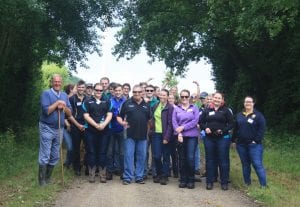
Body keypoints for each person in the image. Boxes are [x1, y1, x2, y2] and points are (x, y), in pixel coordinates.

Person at [38, 74, 73, 186]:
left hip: (59, 129)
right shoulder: (46, 93)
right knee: (45, 154)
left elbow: (69, 113)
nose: (57, 83)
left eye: (59, 82)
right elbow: (46, 111)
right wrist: (57, 103)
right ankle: (42, 181)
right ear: (52, 82)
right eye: (55, 81)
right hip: (46, 127)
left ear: (61, 83)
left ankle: (48, 178)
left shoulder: (64, 95)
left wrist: (64, 107)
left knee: (55, 155)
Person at [117, 85, 151, 185]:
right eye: (135, 92)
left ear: (142, 93)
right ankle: (127, 177)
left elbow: (149, 120)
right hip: (129, 134)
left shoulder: (147, 105)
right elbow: (119, 117)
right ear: (132, 92)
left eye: (139, 92)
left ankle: (139, 177)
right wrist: (122, 123)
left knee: (142, 156)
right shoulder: (126, 103)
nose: (137, 94)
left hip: (143, 135)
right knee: (128, 156)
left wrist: (148, 132)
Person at [200, 92, 234, 190]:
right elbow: (201, 122)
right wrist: (205, 128)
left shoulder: (226, 110)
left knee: (223, 160)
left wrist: (223, 131)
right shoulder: (207, 110)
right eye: (215, 98)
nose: (217, 100)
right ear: (212, 99)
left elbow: (231, 124)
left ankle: (224, 182)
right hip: (209, 138)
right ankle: (209, 181)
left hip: (222, 138)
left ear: (222, 99)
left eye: (219, 98)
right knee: (210, 160)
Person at [233, 96, 267, 188]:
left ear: (253, 103)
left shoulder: (258, 115)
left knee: (257, 164)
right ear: (244, 103)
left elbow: (262, 129)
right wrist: (233, 140)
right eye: (246, 102)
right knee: (245, 164)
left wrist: (255, 141)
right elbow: (236, 129)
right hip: (241, 145)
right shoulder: (239, 115)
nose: (247, 103)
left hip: (254, 145)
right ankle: (247, 183)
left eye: (250, 102)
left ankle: (263, 185)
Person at [83, 83, 112, 183]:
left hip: (104, 131)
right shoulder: (87, 101)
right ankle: (91, 175)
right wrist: (96, 125)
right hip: (90, 131)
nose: (98, 92)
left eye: (100, 90)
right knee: (91, 152)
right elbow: (86, 116)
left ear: (103, 91)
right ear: (94, 90)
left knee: (103, 153)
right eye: (97, 90)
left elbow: (109, 115)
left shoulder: (107, 101)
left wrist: (103, 124)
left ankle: (102, 175)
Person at [172, 89, 199, 189]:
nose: (184, 98)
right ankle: (183, 179)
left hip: (192, 136)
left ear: (189, 97)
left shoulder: (194, 108)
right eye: (182, 96)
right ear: (180, 97)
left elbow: (195, 121)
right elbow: (174, 122)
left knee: (190, 158)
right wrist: (179, 133)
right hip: (180, 137)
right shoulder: (176, 109)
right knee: (182, 158)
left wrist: (183, 127)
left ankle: (191, 179)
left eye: (186, 96)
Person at [150, 89, 174, 185]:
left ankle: (164, 176)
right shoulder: (155, 105)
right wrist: (151, 130)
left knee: (166, 156)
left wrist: (167, 137)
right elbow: (151, 119)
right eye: (161, 95)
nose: (162, 97)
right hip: (156, 134)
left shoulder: (171, 108)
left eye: (164, 95)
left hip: (166, 135)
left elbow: (170, 124)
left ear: (168, 97)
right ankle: (159, 173)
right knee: (156, 156)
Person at [106, 84, 126, 179]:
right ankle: (109, 171)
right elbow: (108, 114)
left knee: (122, 152)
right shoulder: (109, 101)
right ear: (113, 91)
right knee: (110, 152)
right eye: (116, 90)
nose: (118, 92)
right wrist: (116, 114)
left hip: (122, 130)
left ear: (122, 91)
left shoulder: (126, 101)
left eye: (119, 90)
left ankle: (122, 171)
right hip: (111, 129)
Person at [69, 80, 87, 176]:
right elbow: (69, 115)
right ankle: (77, 168)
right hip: (76, 126)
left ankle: (87, 167)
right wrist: (78, 125)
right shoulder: (72, 99)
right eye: (79, 87)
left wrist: (85, 125)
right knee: (76, 148)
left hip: (87, 126)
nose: (81, 89)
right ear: (77, 88)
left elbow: (91, 113)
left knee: (88, 147)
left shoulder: (88, 99)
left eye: (82, 87)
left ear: (85, 88)